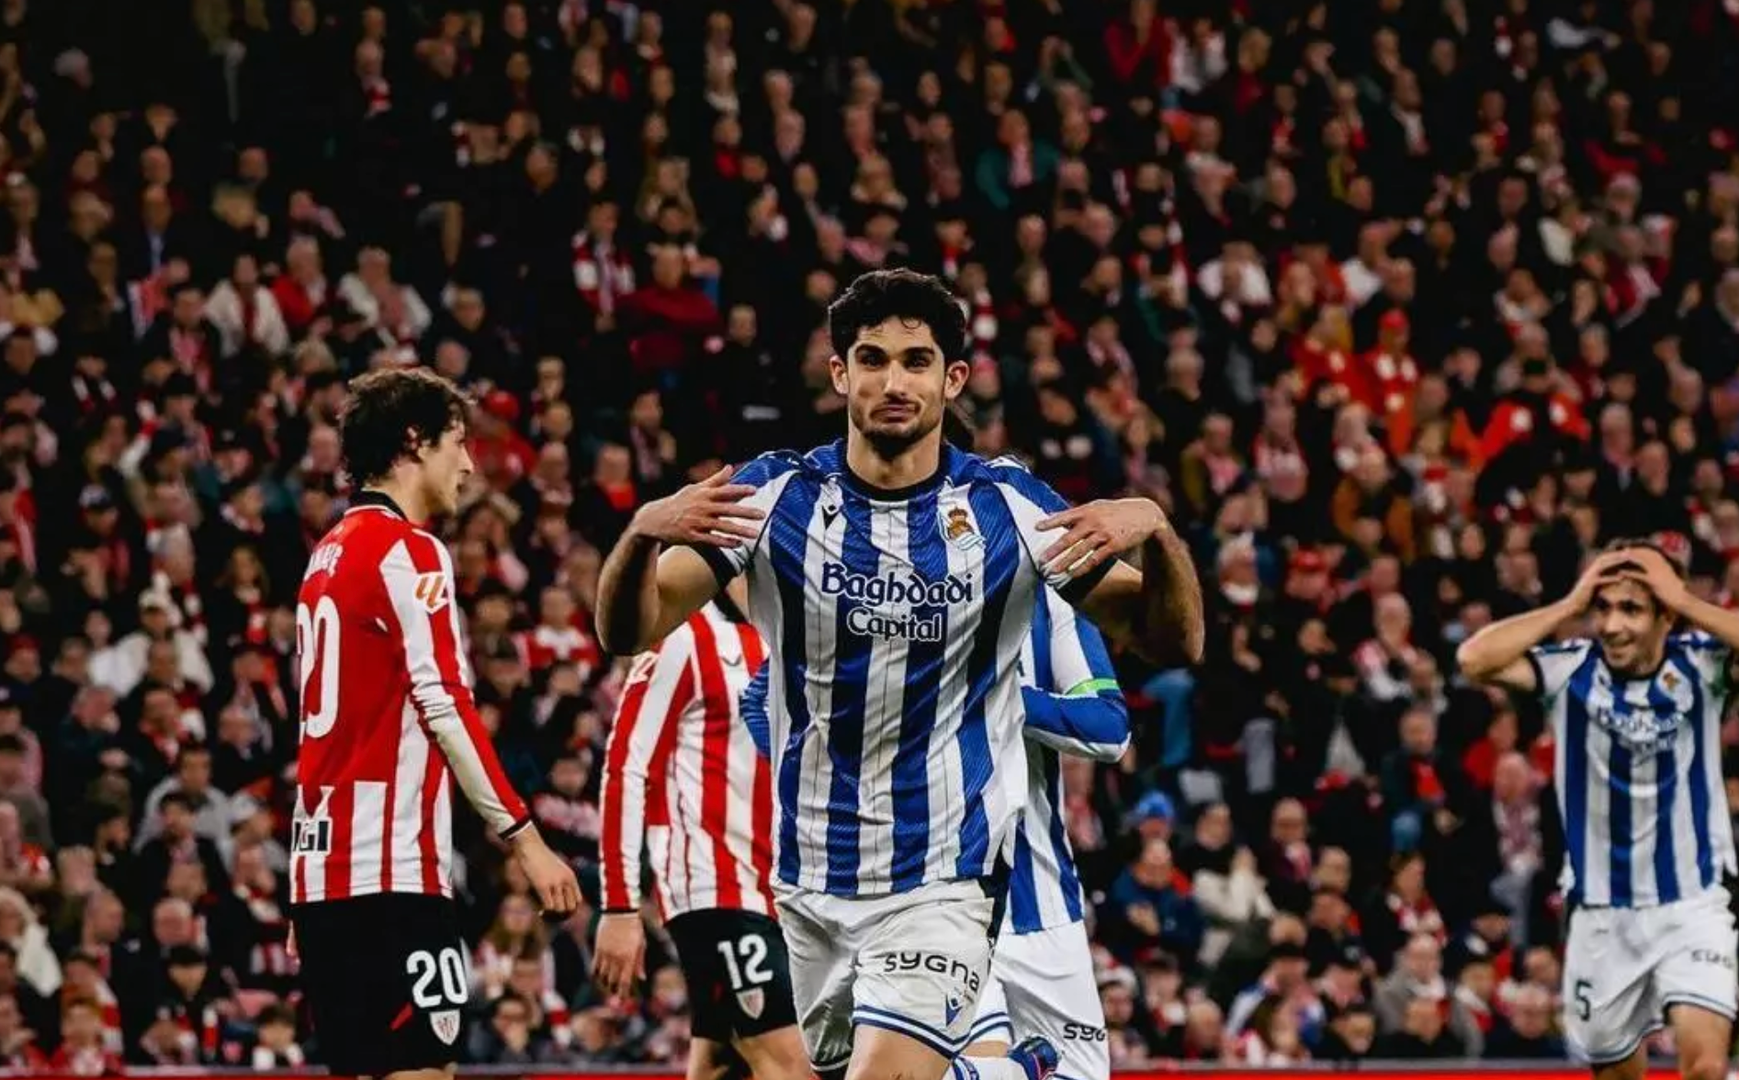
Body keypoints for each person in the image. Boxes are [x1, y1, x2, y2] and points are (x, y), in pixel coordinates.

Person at [595, 268, 1204, 1080]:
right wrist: (641, 535)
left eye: (916, 362)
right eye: (872, 359)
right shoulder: (772, 496)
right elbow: (627, 630)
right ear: (839, 372)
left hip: (943, 884)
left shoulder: (1010, 508)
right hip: (808, 884)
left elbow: (1173, 644)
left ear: (952, 380)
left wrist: (1158, 532)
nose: (893, 382)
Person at [288, 367, 582, 1080]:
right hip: (391, 874)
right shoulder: (409, 550)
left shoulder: (325, 556)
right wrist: (525, 840)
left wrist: (309, 888)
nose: (469, 464)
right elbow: (445, 705)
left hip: (324, 876)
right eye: (458, 443)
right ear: (415, 442)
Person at [1456, 537, 1739, 1080]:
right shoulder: (1570, 668)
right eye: (1604, 608)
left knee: (1705, 1068)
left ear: (1665, 615)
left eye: (1632, 609)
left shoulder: (1701, 666)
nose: (1612, 625)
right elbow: (1473, 658)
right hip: (1602, 917)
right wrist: (1569, 605)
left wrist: (1684, 600)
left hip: (1690, 905)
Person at [591, 576, 810, 1080]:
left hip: (782, 889)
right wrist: (620, 906)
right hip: (714, 884)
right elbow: (626, 765)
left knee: (719, 1063)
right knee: (791, 1063)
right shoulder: (683, 637)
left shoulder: (794, 637)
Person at [964, 586, 1130, 1080]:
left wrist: (997, 694)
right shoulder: (896, 597)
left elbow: (1109, 728)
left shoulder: (1050, 600)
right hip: (943, 902)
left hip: (1044, 903)